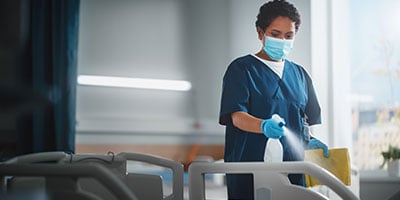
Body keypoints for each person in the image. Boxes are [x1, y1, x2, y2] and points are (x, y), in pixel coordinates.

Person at [218, 0, 329, 199]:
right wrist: (263, 126)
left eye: (289, 36)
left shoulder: (300, 75)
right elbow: (237, 116)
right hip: (250, 170)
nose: (282, 41)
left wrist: (310, 141)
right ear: (260, 33)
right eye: (275, 35)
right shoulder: (242, 69)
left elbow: (302, 121)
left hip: (292, 171)